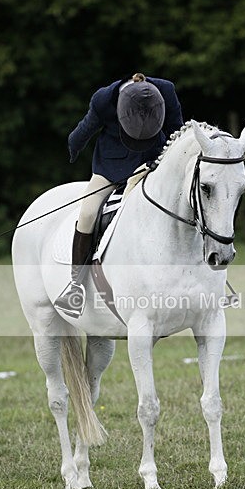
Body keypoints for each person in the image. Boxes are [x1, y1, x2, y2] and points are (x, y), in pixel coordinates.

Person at [54, 72, 184, 318]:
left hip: (152, 164)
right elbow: (82, 132)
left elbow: (177, 132)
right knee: (88, 213)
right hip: (110, 168)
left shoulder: (166, 91)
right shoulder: (104, 100)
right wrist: (73, 148)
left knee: (186, 204)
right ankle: (76, 287)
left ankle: (207, 275)